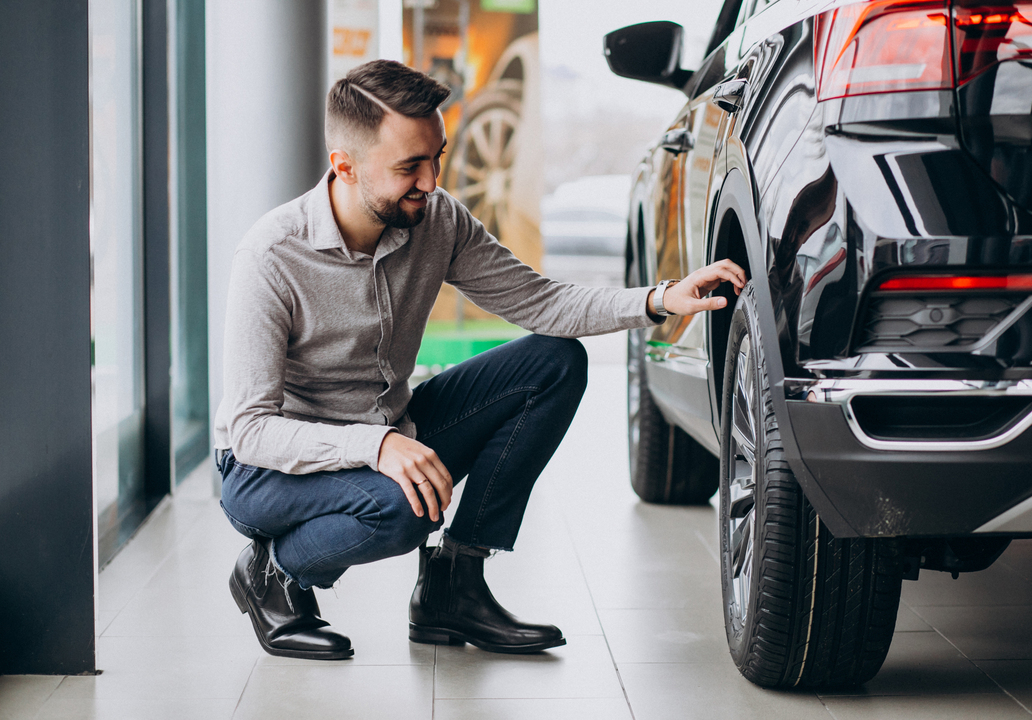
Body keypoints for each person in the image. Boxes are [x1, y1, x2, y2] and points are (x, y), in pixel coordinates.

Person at [216, 59, 745, 661]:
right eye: (409, 167)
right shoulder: (271, 257)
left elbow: (542, 303)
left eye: (435, 157)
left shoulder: (436, 221)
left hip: (386, 428)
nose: (431, 181)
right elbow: (252, 430)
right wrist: (377, 449)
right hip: (267, 470)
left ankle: (454, 586)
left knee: (553, 363)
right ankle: (274, 573)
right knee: (404, 507)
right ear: (345, 166)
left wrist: (656, 299)